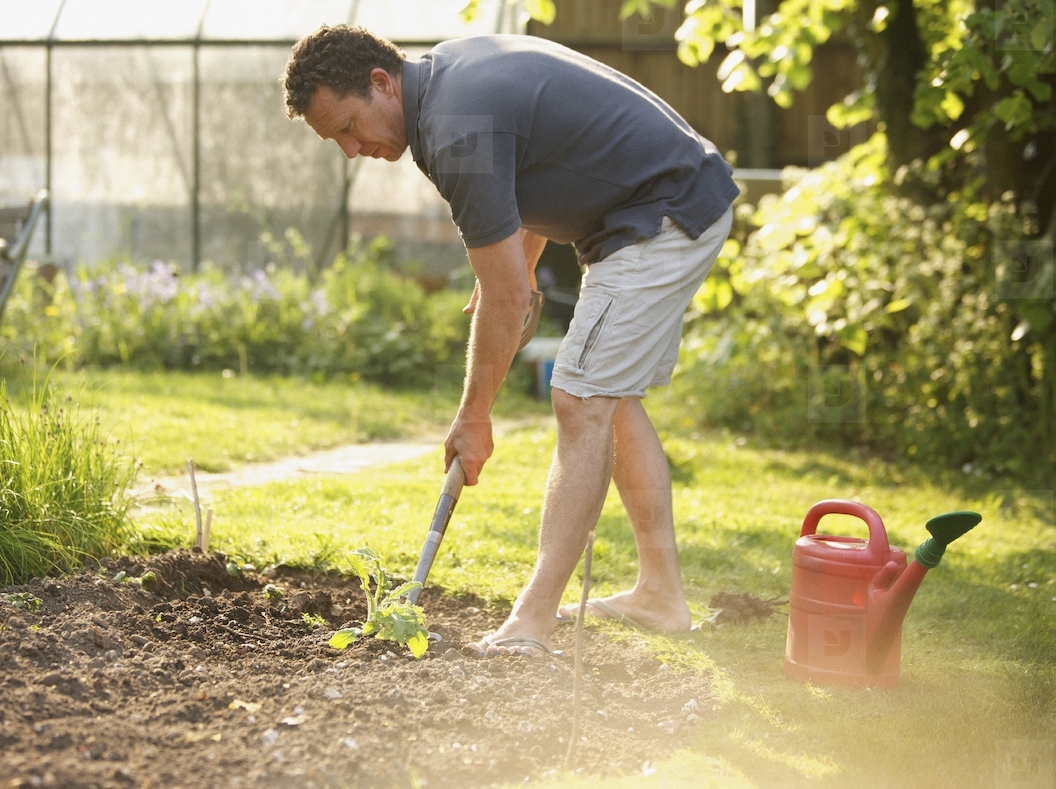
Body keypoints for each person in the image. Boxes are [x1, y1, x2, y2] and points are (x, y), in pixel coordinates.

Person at [283, 25, 738, 655]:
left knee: (580, 399)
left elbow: (505, 301)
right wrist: (519, 266)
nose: (351, 149)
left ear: (381, 84)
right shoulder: (449, 80)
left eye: (347, 127)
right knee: (611, 397)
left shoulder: (454, 129)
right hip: (663, 202)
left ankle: (531, 623)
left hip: (662, 213)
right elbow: (534, 172)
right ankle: (659, 594)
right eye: (337, 139)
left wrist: (474, 416)